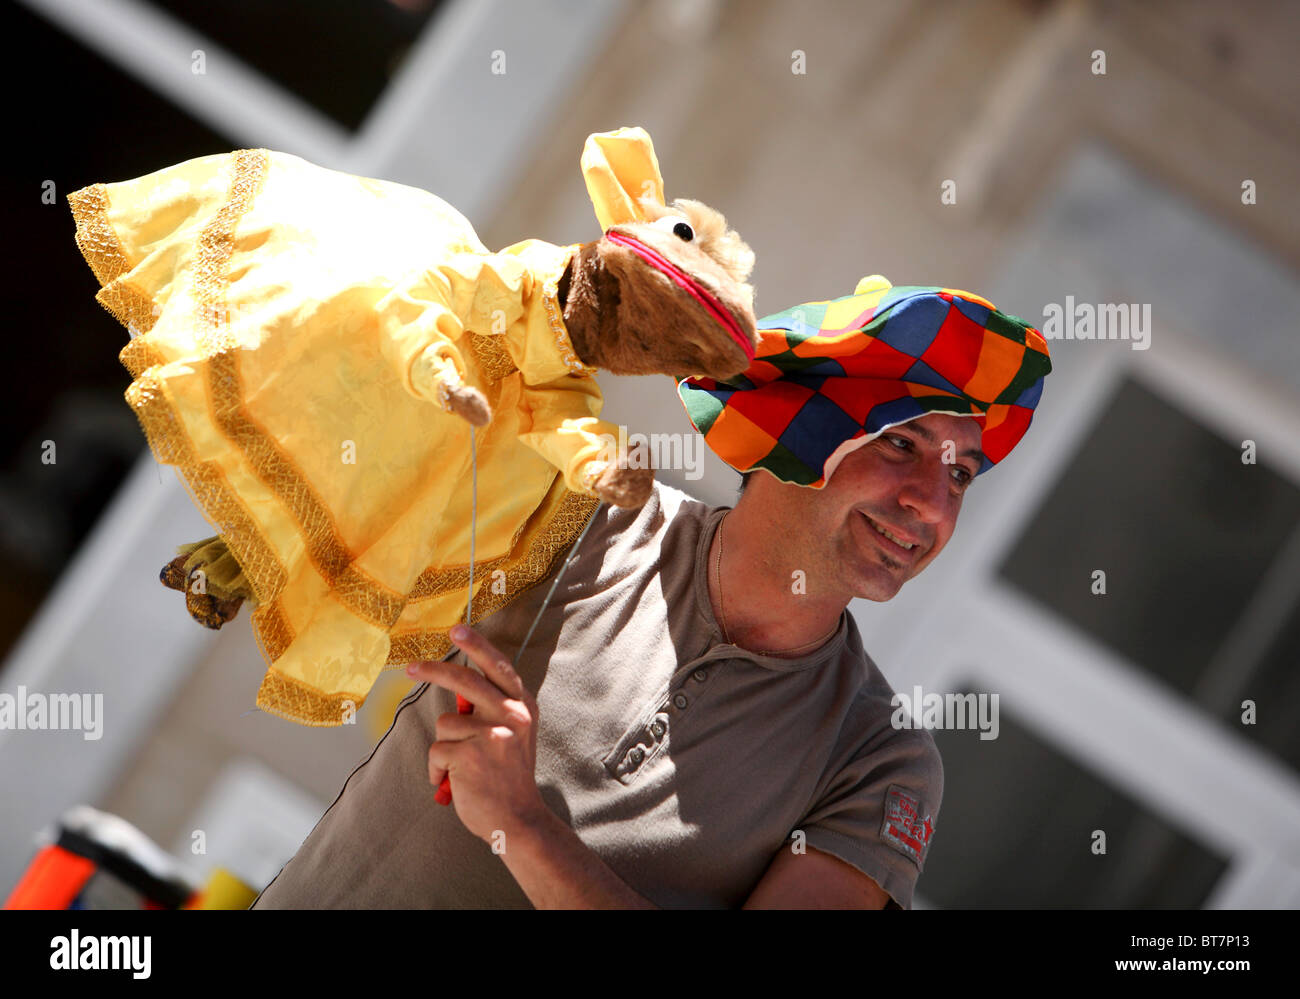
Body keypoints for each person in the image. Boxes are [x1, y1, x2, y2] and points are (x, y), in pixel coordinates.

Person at [250, 275, 1051, 909]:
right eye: (902, 442)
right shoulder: (584, 511)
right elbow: (367, 465)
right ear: (801, 432)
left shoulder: (880, 760)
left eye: (960, 472)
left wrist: (523, 828)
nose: (933, 502)